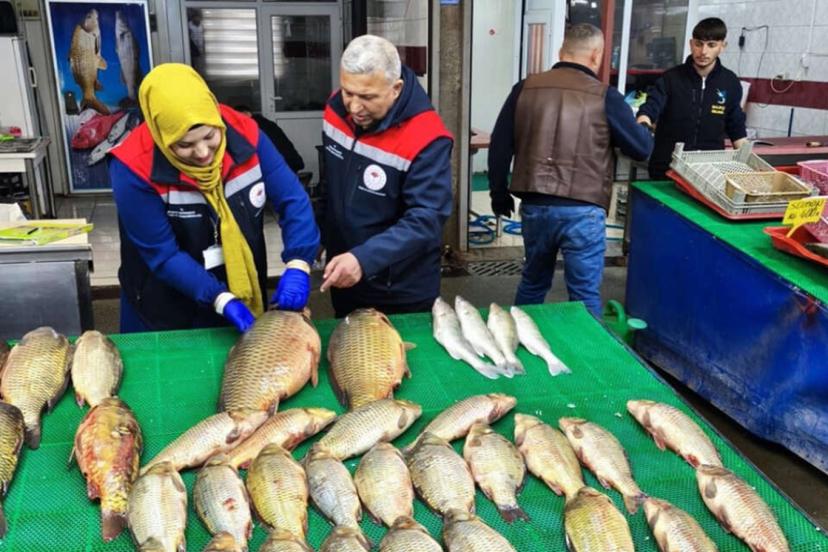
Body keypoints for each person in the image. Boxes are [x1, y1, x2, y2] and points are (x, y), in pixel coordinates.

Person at [110, 63, 319, 333]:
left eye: (210, 136)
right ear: (161, 135)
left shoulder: (246, 133)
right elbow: (164, 255)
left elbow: (293, 200)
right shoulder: (132, 167)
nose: (203, 153)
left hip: (236, 284)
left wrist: (299, 262)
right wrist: (219, 298)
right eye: (184, 144)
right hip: (163, 302)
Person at [488, 23, 653, 317]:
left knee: (533, 282)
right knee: (584, 295)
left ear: (561, 51)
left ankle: (520, 340)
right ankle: (588, 347)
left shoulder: (525, 88)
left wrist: (498, 194)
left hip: (536, 205)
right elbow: (641, 149)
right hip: (583, 209)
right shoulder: (605, 96)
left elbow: (500, 146)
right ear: (596, 55)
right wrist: (643, 124)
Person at [318, 34, 453, 318]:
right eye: (348, 92)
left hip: (400, 288)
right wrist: (320, 234)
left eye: (368, 97)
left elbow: (426, 218)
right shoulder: (335, 108)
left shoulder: (427, 137)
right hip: (346, 274)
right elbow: (331, 182)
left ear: (396, 88)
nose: (354, 107)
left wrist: (364, 259)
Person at [636, 17, 748, 179]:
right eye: (698, 44)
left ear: (722, 46)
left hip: (709, 171)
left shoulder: (730, 82)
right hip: (666, 168)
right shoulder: (671, 78)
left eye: (711, 45)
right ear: (691, 44)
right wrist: (643, 124)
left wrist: (747, 165)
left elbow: (736, 126)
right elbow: (650, 109)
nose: (703, 51)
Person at [234, 105, 306, 175]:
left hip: (282, 167)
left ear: (248, 114)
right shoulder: (266, 123)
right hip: (291, 162)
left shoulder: (254, 127)